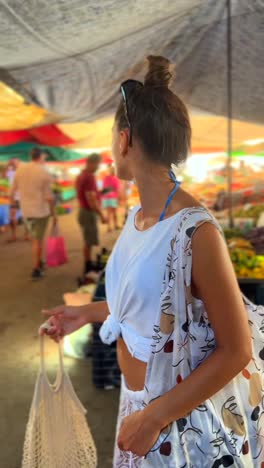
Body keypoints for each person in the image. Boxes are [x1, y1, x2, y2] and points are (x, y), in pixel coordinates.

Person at [41, 57, 263, 467]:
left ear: (125, 141)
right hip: (140, 407)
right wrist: (86, 313)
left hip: (175, 420)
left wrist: (154, 417)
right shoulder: (139, 218)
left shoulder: (197, 232)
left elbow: (236, 349)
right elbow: (152, 307)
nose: (110, 152)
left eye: (111, 142)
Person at [11, 147, 56, 280]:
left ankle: (39, 260)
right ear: (41, 156)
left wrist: (13, 207)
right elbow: (49, 197)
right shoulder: (43, 172)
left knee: (35, 238)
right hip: (40, 211)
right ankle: (36, 268)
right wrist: (54, 214)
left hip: (26, 211)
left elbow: (12, 191)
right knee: (38, 240)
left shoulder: (20, 170)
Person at [76, 154, 106, 274]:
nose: (98, 167)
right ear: (92, 163)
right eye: (98, 164)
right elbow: (91, 199)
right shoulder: (89, 177)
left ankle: (88, 263)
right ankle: (88, 266)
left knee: (88, 241)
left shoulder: (81, 175)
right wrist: (101, 215)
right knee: (88, 241)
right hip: (88, 212)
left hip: (83, 210)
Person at [102, 165, 121, 231]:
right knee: (114, 212)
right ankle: (116, 225)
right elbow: (117, 189)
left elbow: (104, 188)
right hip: (113, 197)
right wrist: (118, 198)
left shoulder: (105, 178)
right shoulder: (115, 178)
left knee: (108, 213)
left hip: (105, 197)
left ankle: (109, 227)